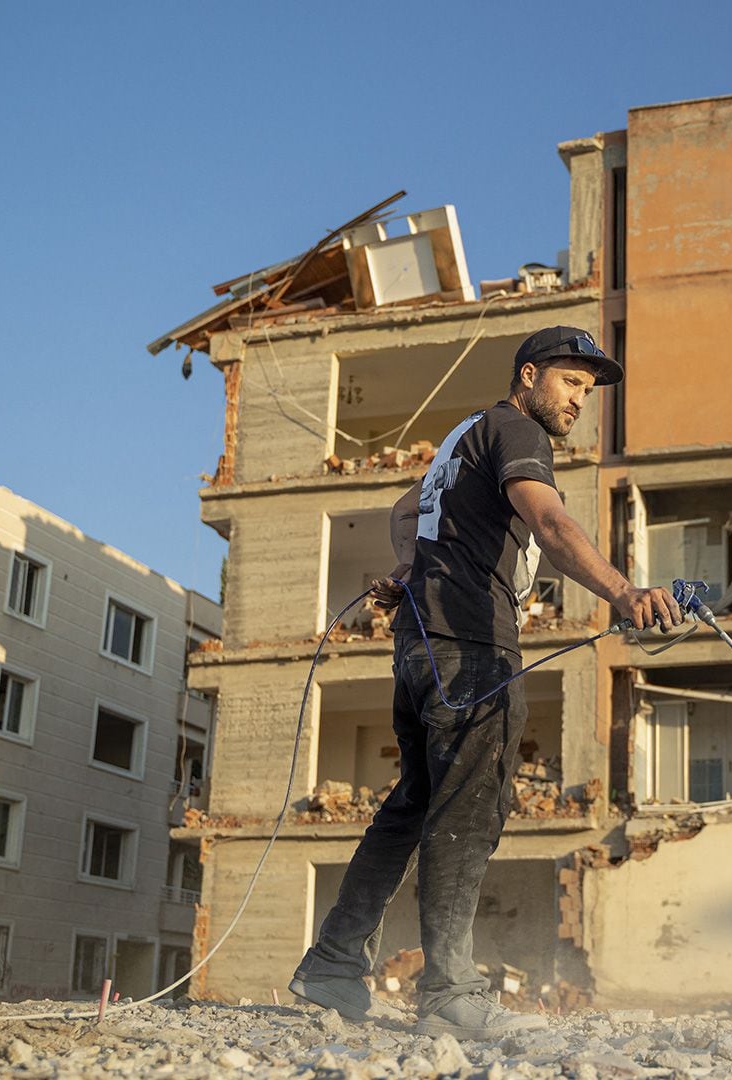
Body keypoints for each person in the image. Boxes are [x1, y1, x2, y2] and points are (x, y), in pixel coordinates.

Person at [289, 326, 681, 1039]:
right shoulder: (514, 431)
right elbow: (551, 522)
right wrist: (623, 592)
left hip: (420, 644)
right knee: (469, 808)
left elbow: (406, 512)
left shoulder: (463, 438)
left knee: (410, 805)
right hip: (469, 643)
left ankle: (334, 965)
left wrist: (413, 570)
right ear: (528, 375)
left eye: (587, 392)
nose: (578, 401)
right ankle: (449, 993)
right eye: (569, 383)